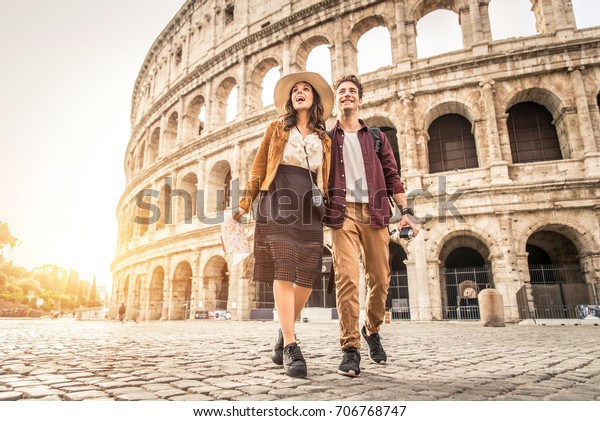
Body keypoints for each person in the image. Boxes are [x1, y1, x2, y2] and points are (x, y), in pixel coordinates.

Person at [234, 71, 333, 378]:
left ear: (314, 98)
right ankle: (291, 344)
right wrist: (243, 204)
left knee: (307, 274)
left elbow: (327, 177)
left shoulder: (325, 138)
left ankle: (282, 330)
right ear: (290, 100)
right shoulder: (276, 128)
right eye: (295, 90)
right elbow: (258, 168)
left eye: (306, 90)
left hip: (309, 202)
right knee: (285, 266)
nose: (300, 93)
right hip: (277, 196)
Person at [325, 74, 420, 377]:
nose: (347, 95)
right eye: (342, 92)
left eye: (352, 91)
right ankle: (350, 348)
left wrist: (406, 210)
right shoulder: (327, 138)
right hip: (342, 214)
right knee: (347, 279)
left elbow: (393, 176)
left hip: (377, 213)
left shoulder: (377, 137)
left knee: (380, 278)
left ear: (360, 99)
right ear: (335, 100)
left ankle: (371, 329)